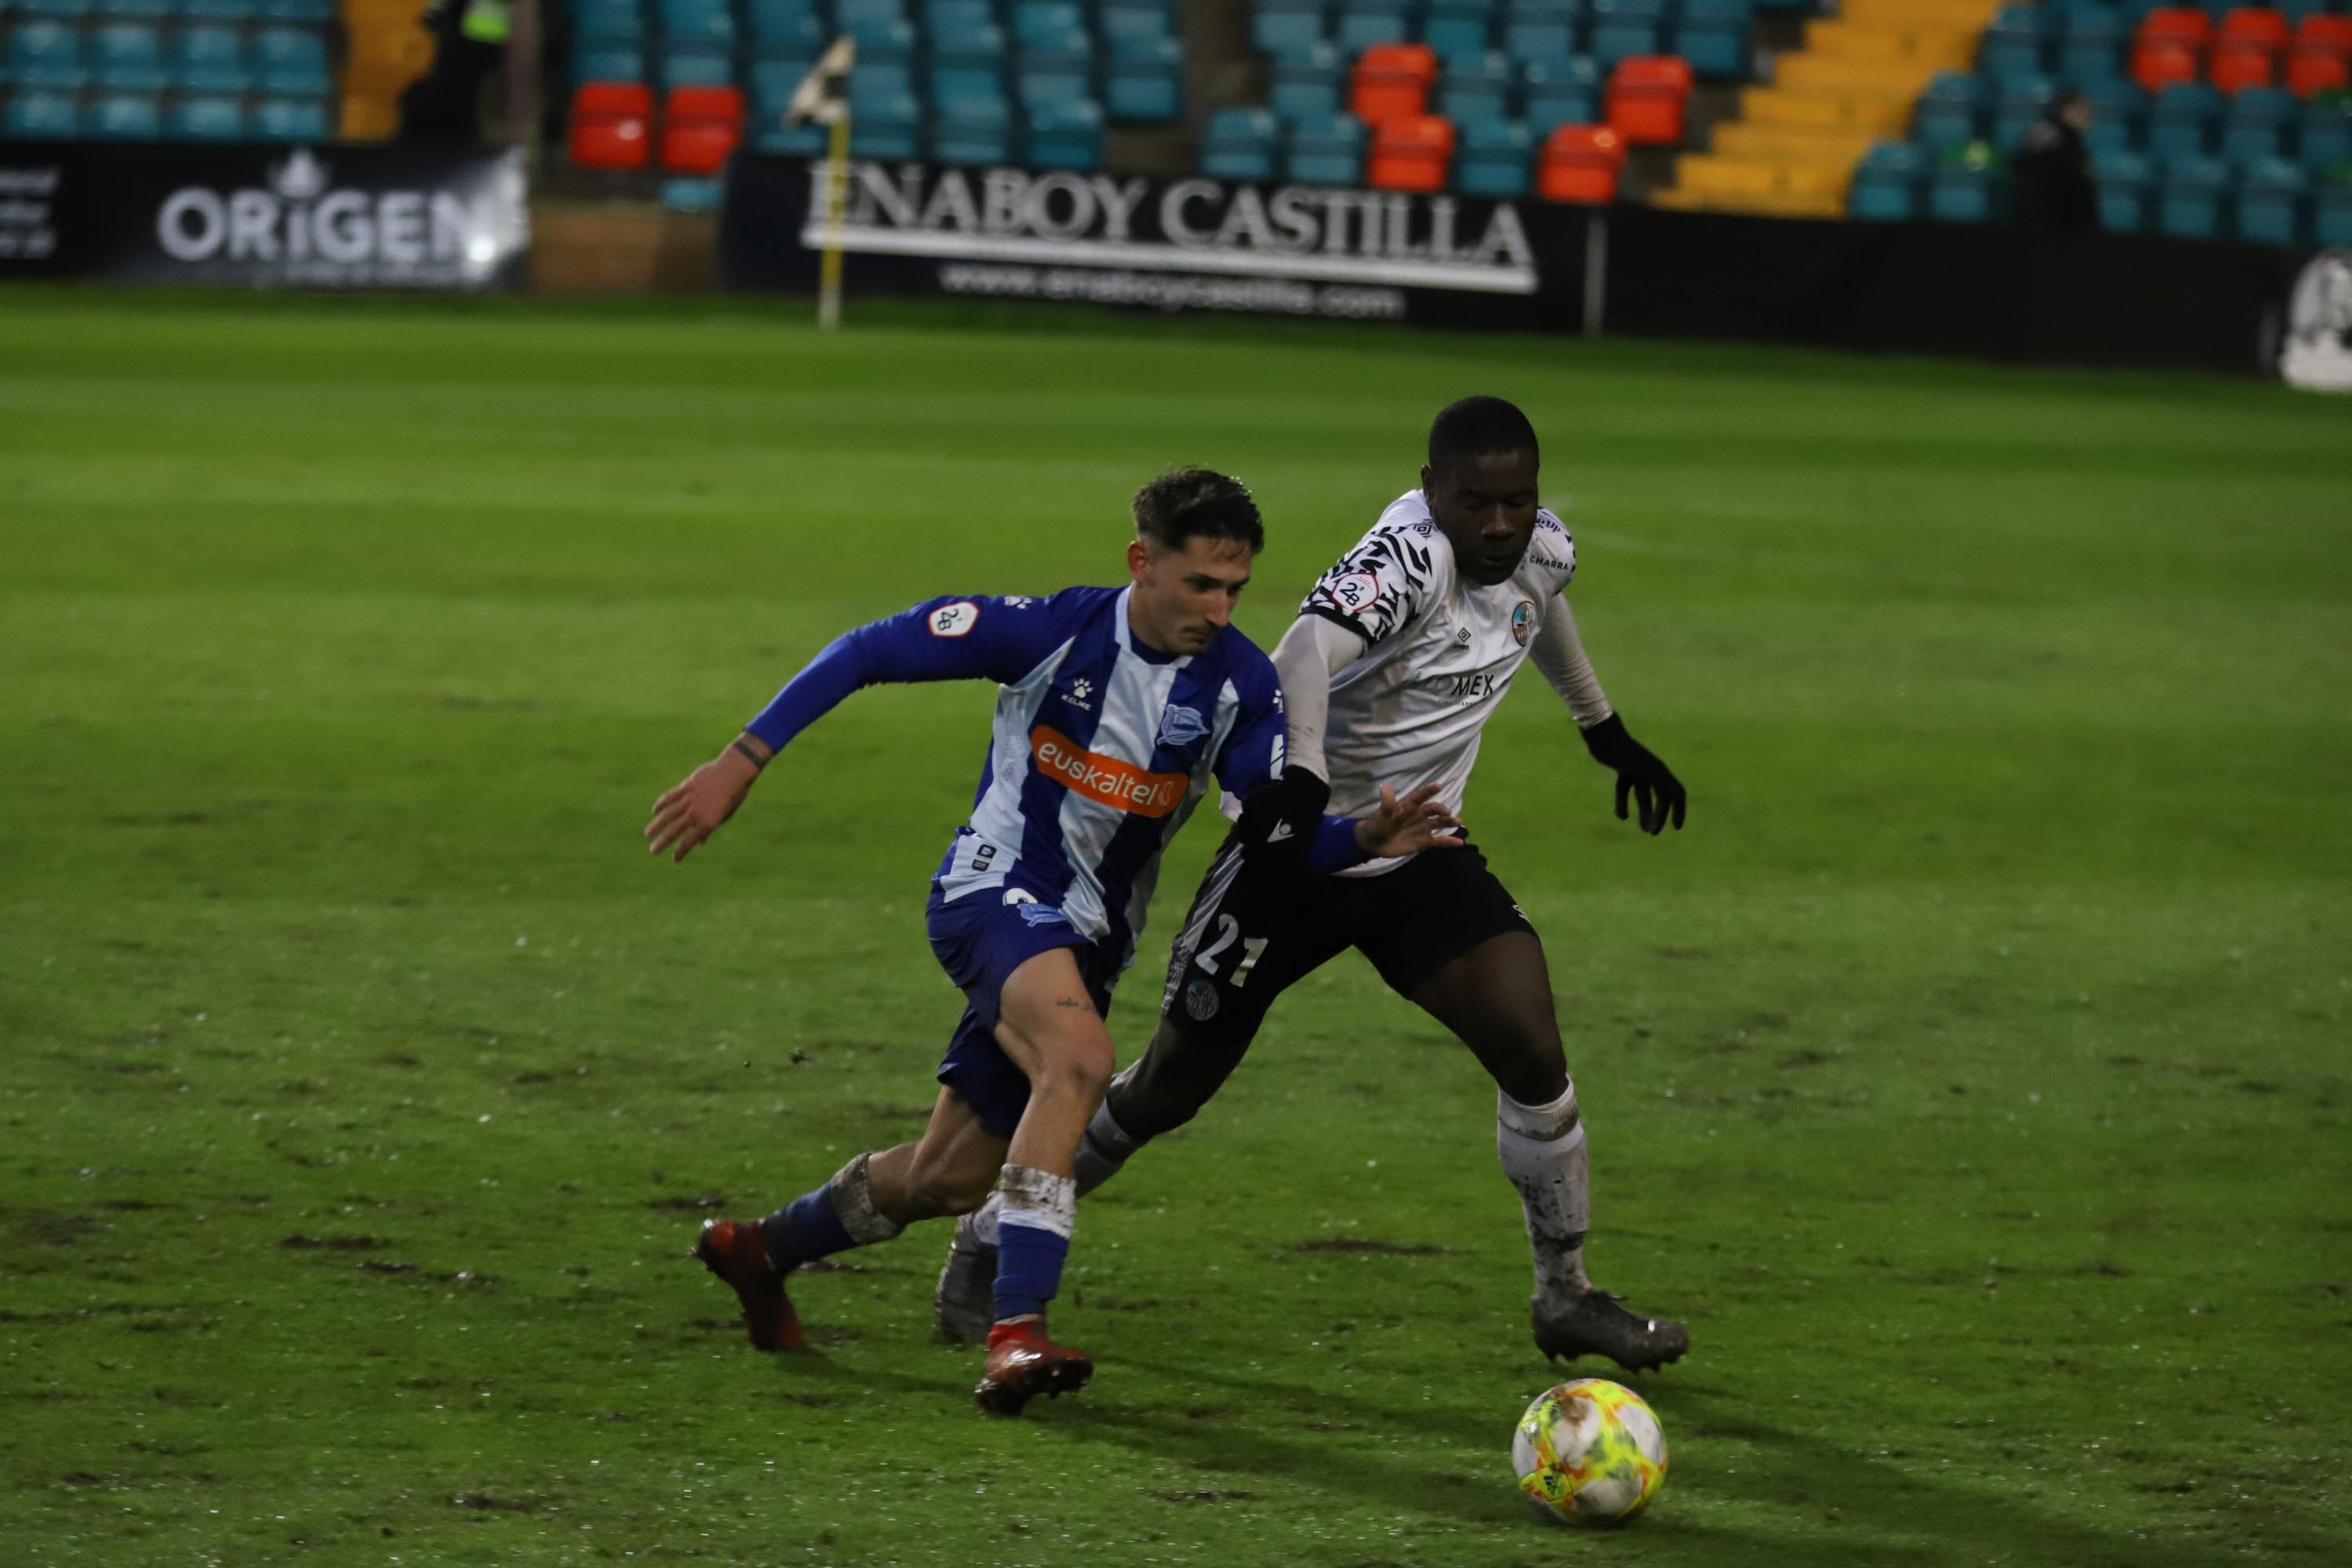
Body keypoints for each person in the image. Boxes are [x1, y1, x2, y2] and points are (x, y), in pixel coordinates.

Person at [646, 470, 1460, 1414]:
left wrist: (1360, 836)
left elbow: (1268, 828)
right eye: (1200, 584)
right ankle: (1016, 1333)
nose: (1220, 608)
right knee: (1080, 1061)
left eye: (1236, 589)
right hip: (993, 889)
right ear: (1141, 563)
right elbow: (868, 649)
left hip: (1087, 943)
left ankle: (762, 1248)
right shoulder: (1050, 632)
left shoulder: (1242, 686)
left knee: (949, 1176)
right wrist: (740, 761)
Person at [938, 399, 1692, 1374]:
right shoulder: (1405, 561)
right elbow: (1302, 649)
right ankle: (990, 1234)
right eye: (1477, 503)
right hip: (1296, 859)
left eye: (1518, 500)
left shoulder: (1541, 549)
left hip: (1418, 850)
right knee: (1164, 1088)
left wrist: (1603, 729)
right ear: (1432, 493)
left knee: (1534, 1050)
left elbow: (1535, 604)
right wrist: (1296, 778)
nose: (1500, 523)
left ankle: (1567, 1294)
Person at [2012, 91, 2099, 231]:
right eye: (2081, 109)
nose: (2088, 115)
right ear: (2065, 111)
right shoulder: (2050, 144)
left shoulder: (2071, 144)